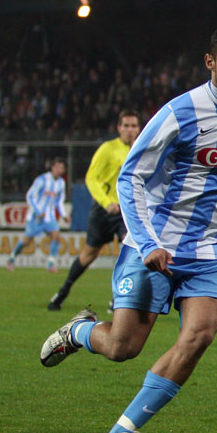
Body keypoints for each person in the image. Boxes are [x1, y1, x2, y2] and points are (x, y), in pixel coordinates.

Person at [39, 17, 217, 433]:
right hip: (156, 245)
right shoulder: (178, 113)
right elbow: (130, 176)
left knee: (200, 334)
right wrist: (148, 243)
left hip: (213, 251)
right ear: (210, 62)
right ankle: (80, 331)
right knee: (123, 347)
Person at [48, 109, 141, 312]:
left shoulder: (142, 150)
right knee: (88, 254)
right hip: (104, 210)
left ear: (139, 128)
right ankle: (62, 293)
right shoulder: (108, 149)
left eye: (134, 125)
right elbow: (91, 178)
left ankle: (118, 299)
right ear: (119, 128)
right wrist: (106, 202)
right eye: (126, 125)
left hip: (127, 212)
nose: (130, 130)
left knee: (131, 250)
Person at [7, 158, 68, 272]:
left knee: (56, 236)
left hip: (49, 216)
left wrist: (64, 215)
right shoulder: (41, 180)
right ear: (52, 168)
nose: (60, 170)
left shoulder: (61, 183)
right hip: (35, 216)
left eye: (62, 168)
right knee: (27, 240)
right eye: (58, 167)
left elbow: (59, 201)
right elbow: (30, 196)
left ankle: (50, 264)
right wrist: (38, 211)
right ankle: (11, 258)